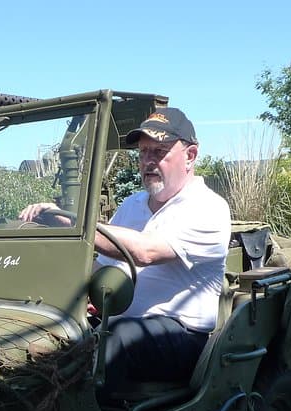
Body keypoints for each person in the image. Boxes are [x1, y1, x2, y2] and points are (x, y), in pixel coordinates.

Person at [20, 107, 232, 394]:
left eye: (159, 151)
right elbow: (103, 266)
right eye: (143, 152)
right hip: (119, 323)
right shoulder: (132, 205)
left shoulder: (207, 207)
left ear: (190, 156)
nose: (148, 161)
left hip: (182, 335)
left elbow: (145, 251)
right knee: (57, 333)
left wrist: (74, 224)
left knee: (118, 339)